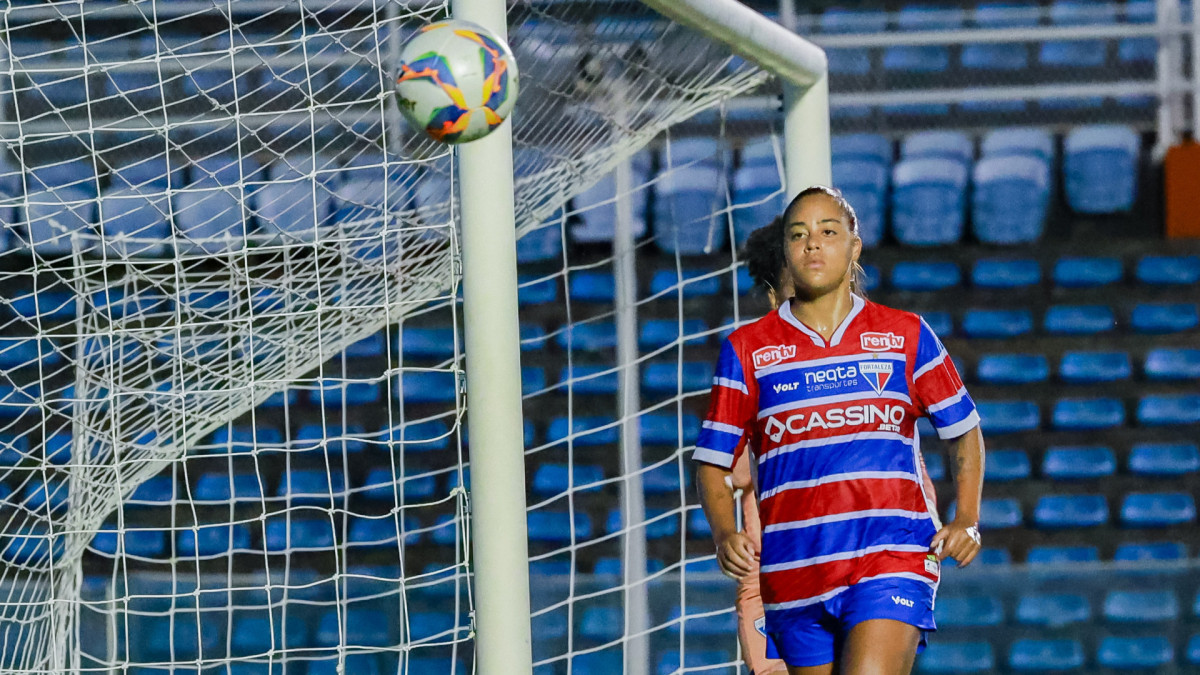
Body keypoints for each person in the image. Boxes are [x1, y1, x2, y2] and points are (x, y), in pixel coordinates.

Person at [695, 186, 985, 675]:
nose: (813, 244)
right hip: (792, 570)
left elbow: (964, 431)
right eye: (799, 235)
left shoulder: (906, 335)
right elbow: (711, 461)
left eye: (828, 232)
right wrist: (725, 532)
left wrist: (968, 517)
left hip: (890, 555)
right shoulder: (747, 350)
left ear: (855, 245)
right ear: (786, 252)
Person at [728, 216, 790, 675]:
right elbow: (721, 468)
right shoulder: (751, 363)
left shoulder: (867, 357)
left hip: (859, 574)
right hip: (771, 578)